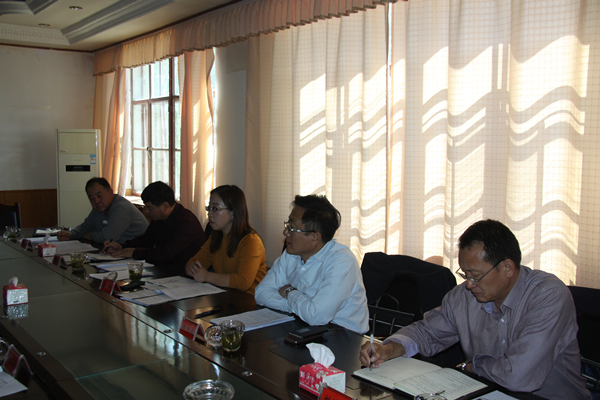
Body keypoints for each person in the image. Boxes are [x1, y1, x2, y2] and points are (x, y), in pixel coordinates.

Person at [359, 219, 591, 400]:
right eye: (465, 274)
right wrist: (390, 348)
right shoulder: (465, 297)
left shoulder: (547, 296)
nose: (469, 284)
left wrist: (472, 366)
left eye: (476, 275)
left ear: (507, 268)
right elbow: (427, 332)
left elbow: (518, 376)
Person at [254, 194, 369, 333]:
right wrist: (300, 308)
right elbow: (261, 293)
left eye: (292, 228)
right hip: (303, 327)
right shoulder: (291, 253)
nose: (285, 232)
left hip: (343, 337)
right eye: (287, 225)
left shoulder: (342, 262)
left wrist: (289, 292)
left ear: (315, 237)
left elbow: (316, 316)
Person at [102, 181, 206, 275]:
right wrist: (121, 247)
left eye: (149, 208)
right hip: (164, 270)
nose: (146, 212)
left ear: (165, 206)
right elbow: (146, 240)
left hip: (185, 275)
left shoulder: (186, 222)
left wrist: (134, 252)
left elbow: (166, 254)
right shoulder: (159, 217)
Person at [185, 185, 267, 295]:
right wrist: (192, 268)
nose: (210, 213)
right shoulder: (216, 236)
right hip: (225, 297)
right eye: (209, 208)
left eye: (215, 209)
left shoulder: (251, 241)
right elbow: (193, 262)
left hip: (249, 300)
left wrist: (207, 276)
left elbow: (243, 282)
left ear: (233, 213)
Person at [57, 177, 148, 244]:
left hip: (138, 252)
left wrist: (91, 235)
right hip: (119, 250)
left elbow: (109, 237)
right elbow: (87, 226)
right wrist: (72, 234)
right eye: (91, 198)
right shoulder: (100, 208)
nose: (96, 201)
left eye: (99, 196)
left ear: (110, 192)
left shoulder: (121, 207)